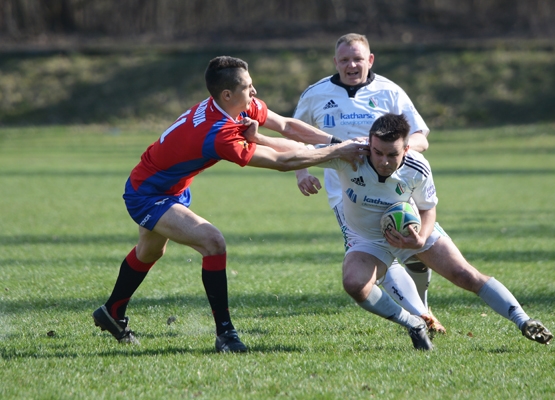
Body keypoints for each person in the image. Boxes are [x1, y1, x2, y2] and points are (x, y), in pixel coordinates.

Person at [92, 56, 368, 353]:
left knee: (150, 251)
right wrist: (338, 151)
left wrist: (336, 142)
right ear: (227, 94)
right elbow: (281, 161)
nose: (255, 91)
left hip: (170, 187)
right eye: (249, 87)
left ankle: (111, 313)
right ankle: (225, 334)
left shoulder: (236, 104)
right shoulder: (218, 133)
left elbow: (287, 126)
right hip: (146, 194)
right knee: (213, 242)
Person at [313, 113, 553, 350]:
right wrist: (280, 154)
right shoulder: (350, 155)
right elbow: (296, 150)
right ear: (369, 143)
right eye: (378, 152)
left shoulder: (417, 166)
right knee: (355, 284)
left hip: (411, 229)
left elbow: (428, 209)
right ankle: (414, 323)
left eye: (392, 154)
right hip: (368, 239)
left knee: (465, 275)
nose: (384, 161)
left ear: (406, 149)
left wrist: (420, 239)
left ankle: (524, 321)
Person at [292, 33, 445, 334]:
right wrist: (303, 173)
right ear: (335, 62)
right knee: (379, 246)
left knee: (412, 247)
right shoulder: (316, 94)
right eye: (345, 60)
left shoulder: (389, 91)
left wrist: (400, 153)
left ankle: (423, 308)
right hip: (346, 193)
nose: (351, 65)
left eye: (358, 58)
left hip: (395, 184)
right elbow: (296, 136)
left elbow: (420, 136)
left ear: (370, 60)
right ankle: (421, 316)